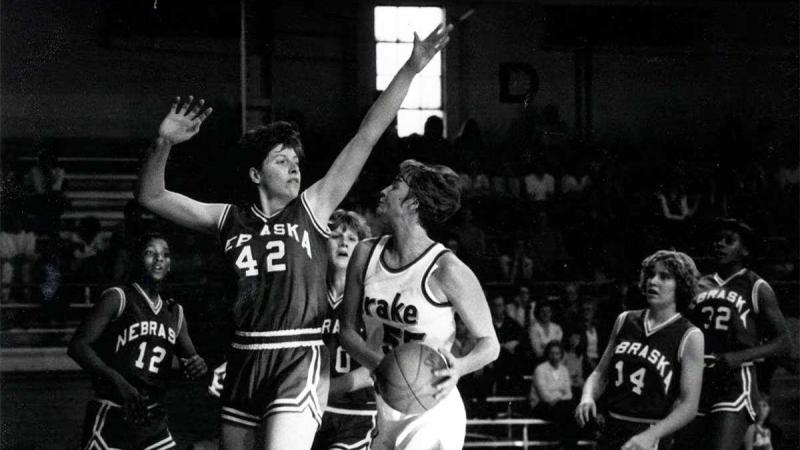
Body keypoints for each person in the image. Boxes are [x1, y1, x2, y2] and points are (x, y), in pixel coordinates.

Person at [136, 23, 451, 450]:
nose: (294, 168)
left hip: (298, 356)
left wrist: (410, 70)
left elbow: (367, 134)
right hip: (244, 358)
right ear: (255, 174)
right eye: (281, 161)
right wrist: (163, 142)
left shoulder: (313, 207)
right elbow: (152, 195)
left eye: (296, 162)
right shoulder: (228, 218)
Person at [340, 160, 500, 450]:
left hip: (432, 406)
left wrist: (460, 367)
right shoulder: (365, 253)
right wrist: (382, 367)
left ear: (413, 204)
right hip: (381, 404)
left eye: (395, 186)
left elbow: (490, 344)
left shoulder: (447, 269)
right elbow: (347, 332)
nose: (384, 191)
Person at [68, 232, 208, 450]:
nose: (159, 259)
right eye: (150, 253)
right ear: (137, 260)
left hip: (153, 419)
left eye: (165, 255)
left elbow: (191, 361)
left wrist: (198, 364)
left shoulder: (175, 312)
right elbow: (78, 346)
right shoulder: (118, 297)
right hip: (113, 412)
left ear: (170, 265)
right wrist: (119, 382)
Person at [673, 219, 790, 450]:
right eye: (718, 240)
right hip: (698, 379)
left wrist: (738, 357)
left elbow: (784, 343)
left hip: (735, 382)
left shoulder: (756, 286)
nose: (720, 244)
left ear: (744, 250)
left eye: (729, 241)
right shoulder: (698, 285)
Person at [575, 250, 705, 450]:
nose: (653, 281)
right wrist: (587, 397)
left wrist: (650, 436)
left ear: (681, 285)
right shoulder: (625, 320)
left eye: (664, 276)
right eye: (651, 274)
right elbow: (600, 373)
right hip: (611, 428)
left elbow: (689, 406)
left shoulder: (689, 335)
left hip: (651, 432)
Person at [312, 210, 376, 450]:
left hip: (356, 413)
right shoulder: (307, 293)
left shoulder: (372, 298)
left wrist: (328, 388)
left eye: (351, 239)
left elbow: (378, 365)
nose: (343, 243)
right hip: (309, 407)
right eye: (336, 236)